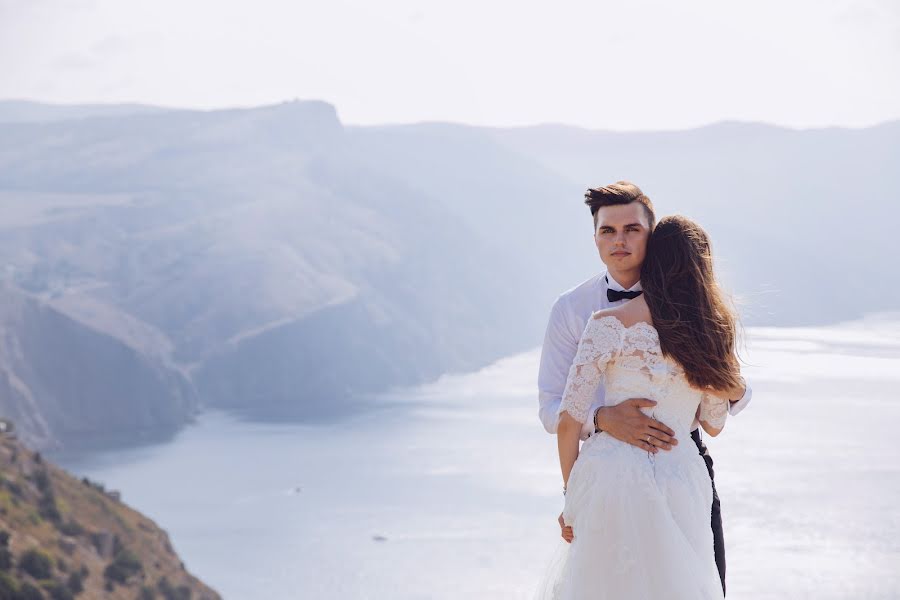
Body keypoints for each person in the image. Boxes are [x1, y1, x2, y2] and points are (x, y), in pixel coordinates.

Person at [536, 182, 752, 595]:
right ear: (595, 237)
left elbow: (733, 392)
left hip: (681, 466)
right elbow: (552, 404)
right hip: (614, 475)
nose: (620, 240)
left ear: (652, 236)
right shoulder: (571, 309)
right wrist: (603, 420)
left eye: (632, 229)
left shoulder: (704, 314)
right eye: (608, 231)